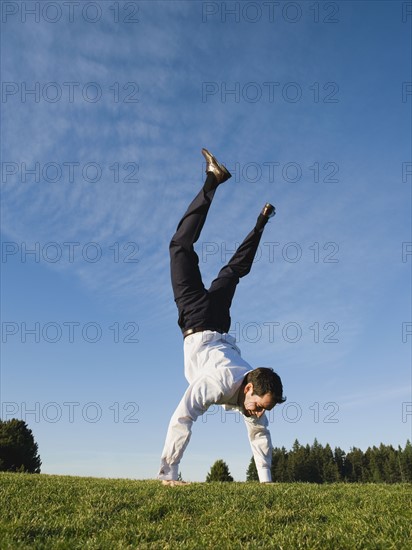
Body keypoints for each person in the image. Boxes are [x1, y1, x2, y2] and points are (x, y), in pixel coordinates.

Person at [158, 149, 285, 484]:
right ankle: (212, 180)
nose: (259, 412)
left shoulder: (253, 388)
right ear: (248, 389)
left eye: (264, 409)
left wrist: (266, 483)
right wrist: (169, 473)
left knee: (233, 271)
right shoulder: (217, 382)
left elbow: (260, 437)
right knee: (179, 247)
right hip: (199, 320)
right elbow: (183, 416)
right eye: (260, 405)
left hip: (216, 323)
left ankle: (260, 222)